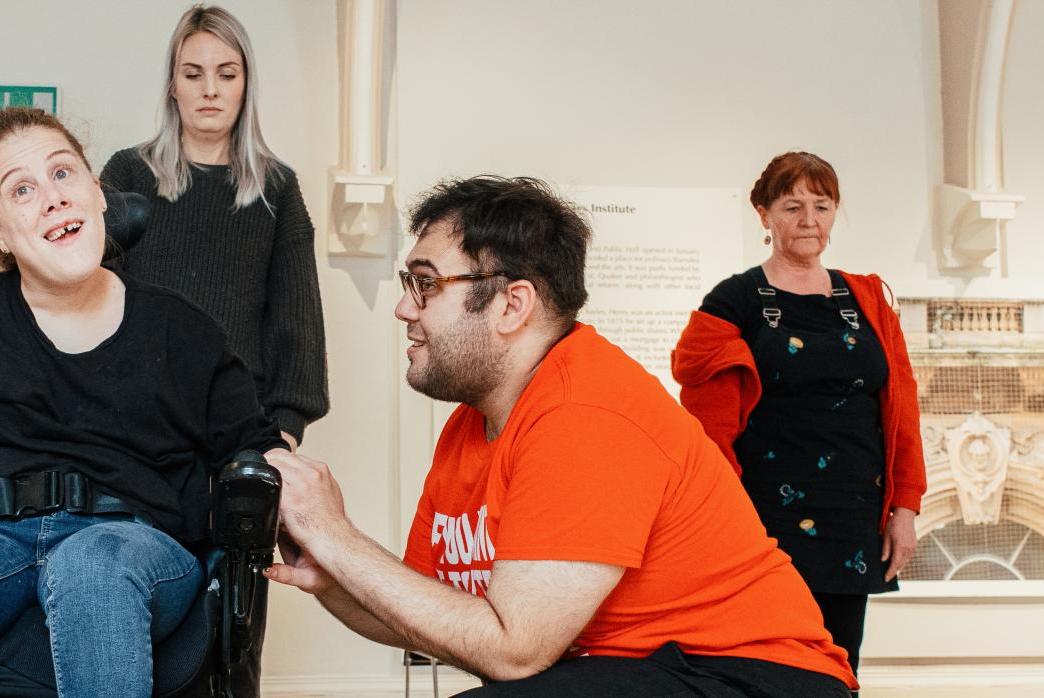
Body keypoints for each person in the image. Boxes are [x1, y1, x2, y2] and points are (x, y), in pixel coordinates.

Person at [263, 176, 856, 697]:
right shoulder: (472, 424)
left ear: (511, 304)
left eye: (425, 284)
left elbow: (512, 650)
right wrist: (333, 578)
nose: (402, 308)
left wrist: (334, 533)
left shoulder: (586, 411)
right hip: (643, 673)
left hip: (749, 677)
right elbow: (434, 613)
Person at [0, 107, 286, 697]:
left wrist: (311, 505)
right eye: (22, 189)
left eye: (64, 174)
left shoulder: (183, 330)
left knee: (92, 563)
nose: (52, 198)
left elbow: (259, 455)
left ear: (97, 192)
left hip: (132, 541)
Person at [671, 151, 927, 673]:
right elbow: (708, 432)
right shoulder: (734, 301)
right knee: (770, 663)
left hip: (852, 514)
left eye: (822, 205)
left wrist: (905, 506)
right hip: (765, 515)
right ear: (764, 215)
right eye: (792, 206)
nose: (809, 220)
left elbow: (901, 406)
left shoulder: (869, 299)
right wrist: (719, 524)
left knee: (840, 663)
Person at [101, 3, 327, 450]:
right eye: (193, 74)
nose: (210, 90)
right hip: (131, 415)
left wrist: (283, 436)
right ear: (172, 86)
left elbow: (297, 322)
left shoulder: (276, 188)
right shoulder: (128, 174)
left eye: (226, 74)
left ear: (246, 85)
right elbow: (86, 292)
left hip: (241, 420)